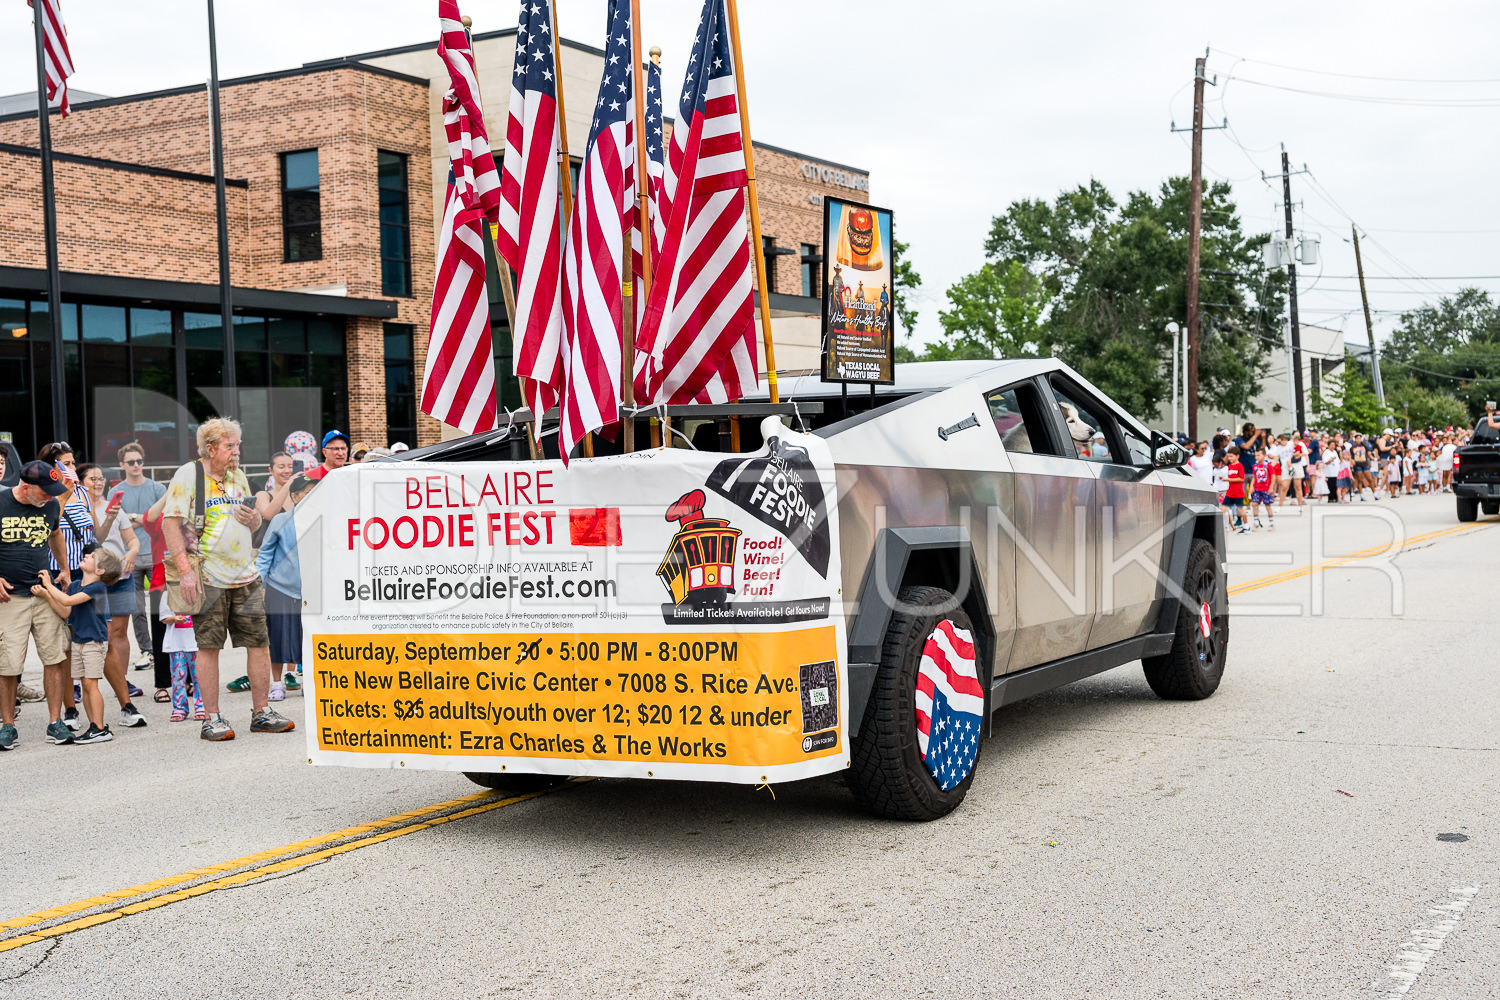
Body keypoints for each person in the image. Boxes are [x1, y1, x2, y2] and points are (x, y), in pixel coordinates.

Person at [161, 417, 294, 741]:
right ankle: (213, 718)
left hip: (244, 576)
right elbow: (170, 524)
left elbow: (250, 527)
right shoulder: (189, 475)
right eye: (230, 445)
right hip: (208, 575)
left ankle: (261, 712)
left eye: (238, 444)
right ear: (211, 448)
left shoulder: (237, 477)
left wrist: (251, 522)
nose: (237, 451)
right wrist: (187, 571)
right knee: (208, 648)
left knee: (259, 644)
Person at [0, 462, 73, 749]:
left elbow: (55, 534)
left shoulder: (51, 505)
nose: (49, 497)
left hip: (44, 594)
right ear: (26, 487)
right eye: (44, 492)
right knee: (7, 664)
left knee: (54, 658)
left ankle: (55, 722)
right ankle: (7, 726)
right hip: (10, 598)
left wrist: (64, 569)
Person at [32, 546, 123, 745]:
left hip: (94, 641)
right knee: (84, 684)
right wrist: (47, 595)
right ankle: (93, 725)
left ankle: (99, 728)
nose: (87, 555)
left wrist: (48, 584)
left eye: (92, 557)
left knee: (91, 684)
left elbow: (68, 600)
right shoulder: (74, 586)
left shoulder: (97, 587)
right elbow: (66, 612)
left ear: (100, 571)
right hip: (79, 641)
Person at [80, 463, 147, 728]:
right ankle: (87, 682)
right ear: (81, 482)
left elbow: (133, 541)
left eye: (101, 479)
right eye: (92, 478)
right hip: (95, 579)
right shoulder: (79, 508)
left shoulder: (114, 508)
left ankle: (123, 677)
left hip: (121, 577)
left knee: (119, 633)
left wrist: (131, 553)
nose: (98, 483)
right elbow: (96, 537)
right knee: (100, 635)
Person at [256, 474, 316, 702]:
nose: (312, 497)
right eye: (307, 493)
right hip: (279, 589)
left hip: (311, 592)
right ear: (295, 496)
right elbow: (264, 555)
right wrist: (258, 585)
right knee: (277, 638)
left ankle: (308, 682)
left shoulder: (323, 520)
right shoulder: (280, 521)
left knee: (308, 640)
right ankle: (277, 684)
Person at [108, 442, 167, 672]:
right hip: (128, 556)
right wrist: (145, 518)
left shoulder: (157, 489)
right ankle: (147, 650)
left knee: (160, 607)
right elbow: (115, 521)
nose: (136, 466)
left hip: (156, 555)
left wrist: (132, 517)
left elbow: (161, 520)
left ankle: (163, 650)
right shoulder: (115, 492)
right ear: (122, 464)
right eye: (131, 462)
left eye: (139, 461)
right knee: (137, 609)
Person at [159, 598, 202, 723]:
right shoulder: (168, 594)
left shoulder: (198, 592)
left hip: (196, 643)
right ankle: (179, 707)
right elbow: (163, 618)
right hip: (176, 644)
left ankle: (201, 705)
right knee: (178, 677)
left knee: (199, 676)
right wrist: (174, 619)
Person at [1223, 446, 1248, 533]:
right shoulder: (1229, 466)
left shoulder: (1240, 466)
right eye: (1228, 456)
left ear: (1237, 456)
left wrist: (1227, 479)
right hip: (1230, 491)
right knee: (1222, 507)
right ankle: (1220, 526)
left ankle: (1246, 526)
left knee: (1240, 509)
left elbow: (1241, 478)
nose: (1229, 458)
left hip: (1238, 491)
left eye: (1231, 456)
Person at [1250, 453, 1275, 530]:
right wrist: (1251, 486)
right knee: (1254, 504)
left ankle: (1271, 523)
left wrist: (1271, 487)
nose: (1256, 457)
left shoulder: (1268, 466)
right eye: (1255, 455)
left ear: (1264, 456)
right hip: (1257, 489)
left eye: (1258, 455)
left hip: (1266, 489)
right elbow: (1254, 477)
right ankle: (1256, 522)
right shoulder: (1255, 466)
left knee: (1267, 506)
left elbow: (1273, 476)